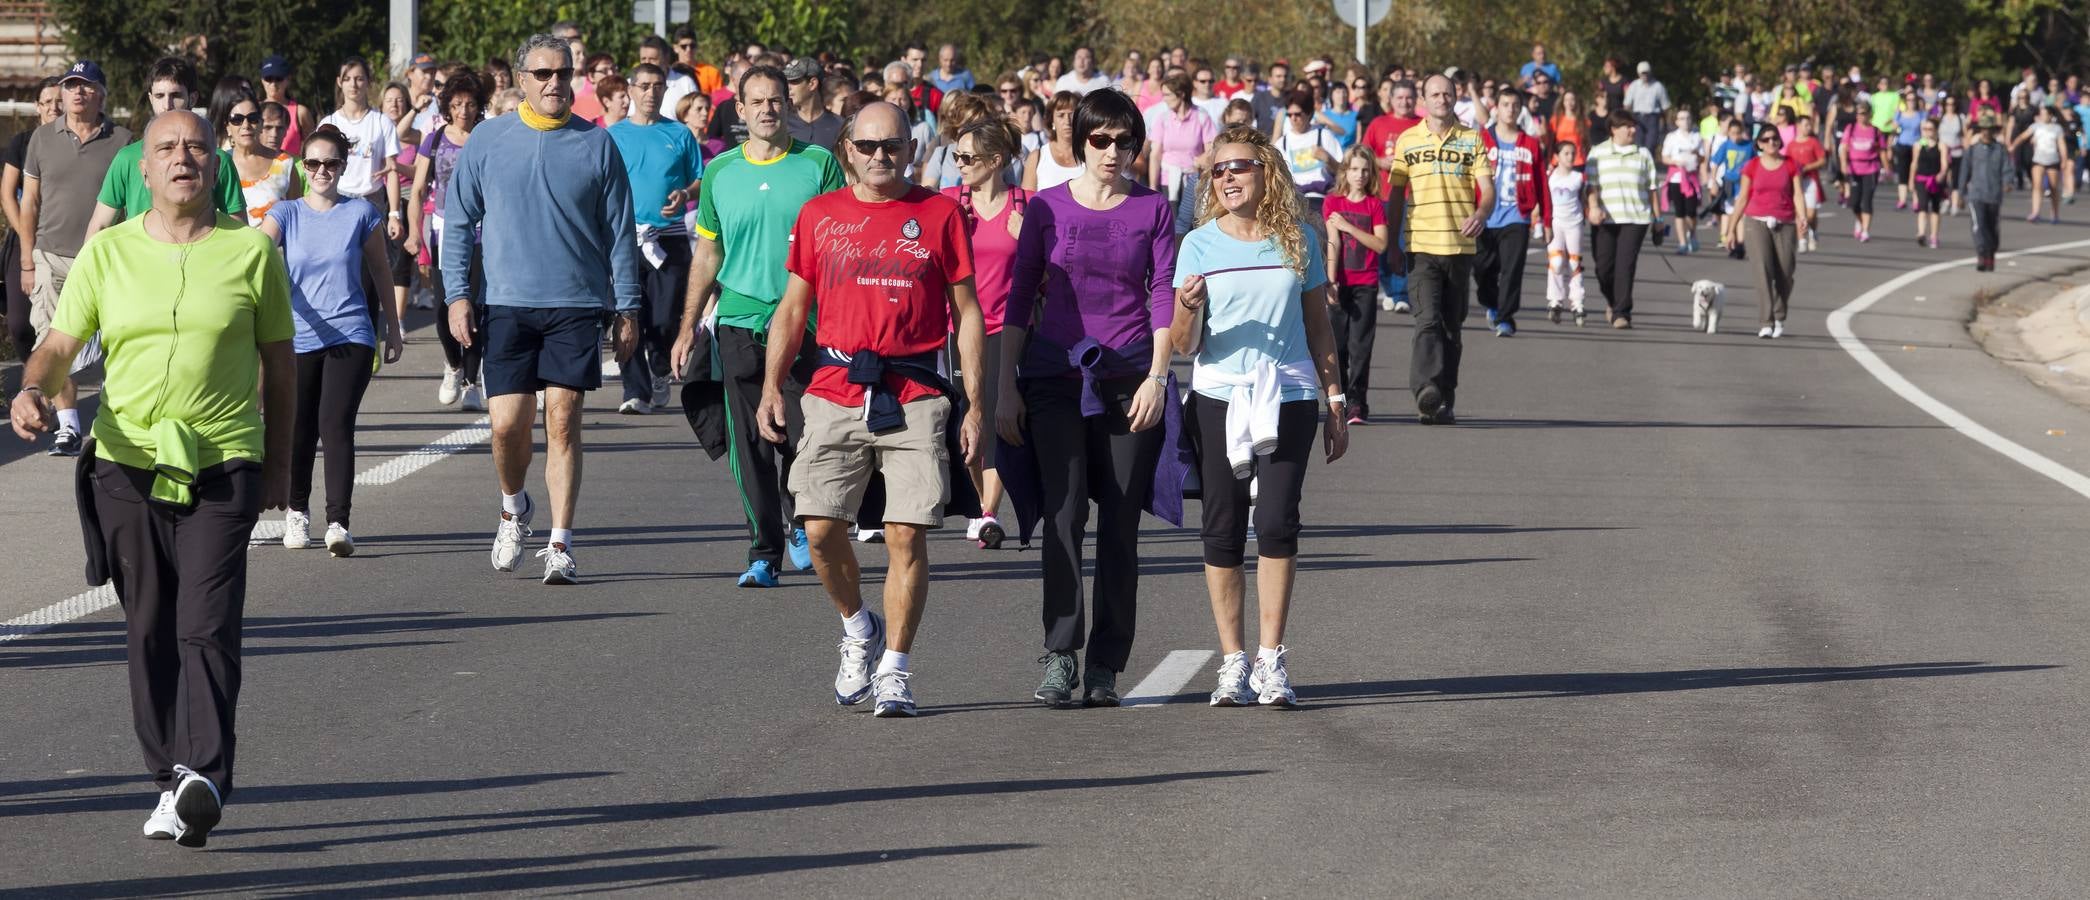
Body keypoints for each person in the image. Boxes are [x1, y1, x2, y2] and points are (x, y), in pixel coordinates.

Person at [11, 109, 293, 849]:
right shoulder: (109, 256)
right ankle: (169, 782)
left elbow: (281, 365)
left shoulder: (251, 252)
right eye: (166, 148)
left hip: (224, 462)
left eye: (196, 147)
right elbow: (61, 342)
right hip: (127, 467)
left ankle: (202, 774)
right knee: (148, 630)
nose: (182, 158)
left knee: (206, 623)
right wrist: (34, 387)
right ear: (142, 169)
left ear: (214, 165)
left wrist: (284, 464)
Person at [757, 101, 985, 718]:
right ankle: (859, 626)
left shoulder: (938, 214)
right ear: (847, 151)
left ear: (911, 149)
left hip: (914, 391)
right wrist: (773, 386)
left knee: (906, 534)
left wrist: (975, 402)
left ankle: (896, 670)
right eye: (867, 146)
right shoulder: (819, 214)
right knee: (821, 529)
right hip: (834, 389)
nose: (880, 156)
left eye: (892, 146)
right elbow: (793, 308)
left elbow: (967, 313)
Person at [999, 88, 1178, 709]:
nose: (1112, 151)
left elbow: (1162, 294)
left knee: (1121, 527)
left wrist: (1158, 376)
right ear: (1081, 141)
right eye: (1100, 139)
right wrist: (1004, 387)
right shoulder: (1046, 208)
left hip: (1130, 378)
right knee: (1065, 513)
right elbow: (1019, 298)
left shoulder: (1153, 208)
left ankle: (1105, 664)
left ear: (1136, 145)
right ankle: (1060, 652)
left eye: (1125, 140)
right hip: (1054, 377)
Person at [440, 33, 642, 586]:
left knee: (563, 419)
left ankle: (561, 541)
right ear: (522, 80)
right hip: (505, 303)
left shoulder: (597, 144)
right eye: (545, 74)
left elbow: (620, 232)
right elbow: (458, 221)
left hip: (575, 304)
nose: (556, 83)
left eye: (564, 73)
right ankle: (513, 507)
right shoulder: (488, 139)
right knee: (506, 425)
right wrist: (457, 293)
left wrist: (628, 307)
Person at [1168, 125, 1348, 708]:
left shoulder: (1299, 239)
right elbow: (1183, 343)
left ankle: (1271, 659)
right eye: (1217, 171)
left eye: (1238, 167)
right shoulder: (1197, 244)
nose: (1226, 179)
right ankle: (1232, 662)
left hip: (1288, 392)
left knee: (1275, 521)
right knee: (1221, 527)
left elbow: (1319, 326)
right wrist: (1189, 309)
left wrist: (1336, 402)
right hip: (1219, 394)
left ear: (1265, 171)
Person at [668, 64, 846, 588]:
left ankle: (798, 518)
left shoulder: (817, 165)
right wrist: (686, 329)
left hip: (805, 324)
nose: (768, 109)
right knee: (749, 444)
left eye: (776, 100)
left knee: (800, 435)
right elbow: (707, 253)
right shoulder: (722, 171)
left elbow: (839, 250)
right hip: (740, 321)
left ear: (787, 106)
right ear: (739, 111)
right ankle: (763, 550)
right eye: (757, 102)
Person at [257, 123, 405, 554]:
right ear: (303, 167)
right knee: (299, 428)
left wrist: (393, 328)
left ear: (343, 166)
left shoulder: (361, 213)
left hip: (351, 331)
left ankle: (339, 522)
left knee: (335, 424)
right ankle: (297, 515)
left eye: (331, 163)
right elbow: (254, 257)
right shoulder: (285, 214)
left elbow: (380, 270)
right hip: (297, 336)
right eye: (315, 162)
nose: (323, 170)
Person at [18, 61, 133, 458]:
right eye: (70, 86)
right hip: (51, 256)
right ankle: (68, 426)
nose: (77, 93)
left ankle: (114, 420)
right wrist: (28, 261)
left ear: (101, 93)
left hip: (105, 259)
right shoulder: (41, 139)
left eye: (85, 86)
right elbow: (28, 202)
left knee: (115, 342)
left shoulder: (123, 141)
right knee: (51, 336)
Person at [1382, 74, 1492, 424]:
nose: (1441, 99)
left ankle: (1445, 397)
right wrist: (1392, 246)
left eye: (1447, 93)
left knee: (1451, 327)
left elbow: (1487, 189)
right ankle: (1426, 390)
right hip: (1421, 244)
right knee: (1427, 320)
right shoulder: (1408, 140)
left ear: (1455, 97)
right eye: (1434, 94)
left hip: (1460, 247)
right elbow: (1397, 193)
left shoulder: (1472, 140)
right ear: (1423, 100)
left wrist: (1481, 213)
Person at [607, 63, 705, 417]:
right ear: (631, 90)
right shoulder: (613, 135)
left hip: (670, 239)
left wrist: (685, 192)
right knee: (628, 313)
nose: (650, 92)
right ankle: (635, 391)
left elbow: (699, 179)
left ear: (665, 91)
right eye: (644, 86)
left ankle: (660, 366)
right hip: (626, 239)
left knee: (664, 320)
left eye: (657, 86)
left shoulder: (679, 135)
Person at [946, 119, 1025, 549]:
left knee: (996, 418)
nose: (959, 164)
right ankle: (979, 504)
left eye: (967, 157)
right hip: (956, 327)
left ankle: (988, 512)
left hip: (1009, 329)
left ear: (996, 161)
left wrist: (1026, 237)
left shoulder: (1023, 205)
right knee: (965, 420)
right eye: (956, 156)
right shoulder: (948, 203)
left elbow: (1052, 270)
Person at [85, 57, 249, 240]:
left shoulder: (216, 160)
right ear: (150, 98)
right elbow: (99, 225)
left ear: (192, 98)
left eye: (176, 95)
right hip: (139, 265)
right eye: (159, 96)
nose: (167, 105)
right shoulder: (127, 158)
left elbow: (239, 231)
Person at [405, 70, 490, 410]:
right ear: (447, 106)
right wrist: (414, 232)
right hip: (444, 231)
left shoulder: (486, 137)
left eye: (470, 104)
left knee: (476, 308)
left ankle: (471, 382)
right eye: (457, 104)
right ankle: (452, 365)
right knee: (443, 308)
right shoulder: (436, 139)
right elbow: (418, 191)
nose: (464, 111)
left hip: (484, 232)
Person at [1322, 146, 1387, 421]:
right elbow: (1333, 242)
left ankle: (1359, 402)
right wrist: (1331, 281)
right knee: (1338, 345)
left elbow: (1381, 244)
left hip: (1366, 284)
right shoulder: (1333, 202)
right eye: (1354, 169)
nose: (1359, 175)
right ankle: (1341, 398)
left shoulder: (1374, 205)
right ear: (1345, 172)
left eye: (1364, 170)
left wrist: (1350, 227)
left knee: (1361, 344)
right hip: (1342, 283)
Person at [1477, 87, 1547, 337]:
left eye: (1515, 105)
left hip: (1517, 215)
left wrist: (1547, 220)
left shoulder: (1530, 143)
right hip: (1484, 216)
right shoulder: (1482, 139)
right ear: (1497, 108)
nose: (1510, 109)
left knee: (1512, 268)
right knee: (1483, 270)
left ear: (1520, 110)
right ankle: (1492, 304)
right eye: (1505, 104)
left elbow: (1541, 183)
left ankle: (1505, 318)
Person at [2, 77, 61, 360]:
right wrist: (27, 233)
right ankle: (32, 374)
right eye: (47, 102)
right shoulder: (22, 142)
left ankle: (49, 386)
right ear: (37, 107)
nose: (54, 107)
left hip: (61, 240)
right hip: (22, 240)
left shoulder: (73, 145)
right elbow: (7, 194)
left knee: (57, 323)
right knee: (19, 323)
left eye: (60, 101)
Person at [1585, 112, 1657, 329]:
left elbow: (1652, 188)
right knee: (1603, 268)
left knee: (1625, 266)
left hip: (1636, 218)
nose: (1633, 130)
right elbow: (1592, 186)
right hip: (1605, 218)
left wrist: (1659, 218)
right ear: (1614, 130)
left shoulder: (1643, 154)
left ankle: (1621, 312)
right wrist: (1594, 207)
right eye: (1627, 126)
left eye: (1634, 126)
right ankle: (1613, 301)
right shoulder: (1597, 153)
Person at [1737, 128, 1805, 339]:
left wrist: (1802, 218)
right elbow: (1742, 198)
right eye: (1766, 140)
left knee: (1785, 273)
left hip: (1785, 222)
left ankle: (1779, 315)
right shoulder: (1753, 166)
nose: (1771, 142)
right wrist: (1730, 229)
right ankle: (1766, 321)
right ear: (1759, 144)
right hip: (1756, 221)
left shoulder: (1790, 164)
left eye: (1775, 138)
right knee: (1763, 271)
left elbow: (1798, 195)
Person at [1363, 79, 1421, 314]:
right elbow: (1364, 153)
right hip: (1383, 194)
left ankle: (1401, 293)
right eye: (1400, 98)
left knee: (1403, 243)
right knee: (1383, 244)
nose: (1405, 102)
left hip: (1414, 195)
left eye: (1409, 98)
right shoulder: (1379, 123)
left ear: (1416, 100)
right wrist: (1379, 161)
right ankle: (1387, 287)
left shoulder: (1422, 125)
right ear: (1391, 100)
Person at [223, 92, 300, 228]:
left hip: (275, 248)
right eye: (237, 119)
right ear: (228, 127)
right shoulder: (217, 164)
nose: (246, 125)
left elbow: (297, 218)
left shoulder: (285, 163)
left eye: (252, 118)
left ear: (260, 124)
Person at [1149, 73, 1215, 206]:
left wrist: (1199, 161)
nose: (1164, 99)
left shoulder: (1202, 117)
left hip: (1193, 181)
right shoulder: (1162, 119)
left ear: (1182, 94)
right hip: (1167, 181)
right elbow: (1155, 155)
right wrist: (1152, 186)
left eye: (1168, 95)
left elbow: (1211, 150)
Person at [1543, 140, 1588, 324]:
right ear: (1557, 156)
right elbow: (1544, 199)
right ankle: (1555, 300)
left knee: (1574, 263)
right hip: (1556, 223)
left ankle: (1577, 302)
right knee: (1556, 261)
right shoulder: (1550, 176)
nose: (1570, 157)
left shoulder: (1578, 178)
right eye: (1566, 153)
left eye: (1572, 153)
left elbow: (1584, 198)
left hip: (1574, 223)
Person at [1276, 91, 1342, 217]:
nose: (1293, 118)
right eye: (1289, 115)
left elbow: (1343, 172)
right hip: (1295, 202)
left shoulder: (1323, 135)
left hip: (1322, 199)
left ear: (1309, 114)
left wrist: (1328, 159)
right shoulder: (1282, 143)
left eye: (1298, 114)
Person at [1961, 112, 2012, 271]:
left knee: (1992, 227)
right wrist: (1960, 191)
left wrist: (2007, 182)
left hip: (1994, 194)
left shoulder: (2000, 150)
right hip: (1976, 194)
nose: (1986, 132)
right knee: (1979, 225)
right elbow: (1965, 170)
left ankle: (1991, 255)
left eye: (1989, 129)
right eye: (1983, 129)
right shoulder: (1972, 150)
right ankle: (1981, 255)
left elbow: (2007, 168)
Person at [1658, 107, 1705, 254]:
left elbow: (1703, 158)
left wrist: (1696, 154)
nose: (1685, 121)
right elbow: (1664, 157)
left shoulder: (1697, 137)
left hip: (1691, 178)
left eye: (1688, 118)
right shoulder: (1672, 137)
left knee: (1691, 212)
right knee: (1679, 211)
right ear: (1677, 121)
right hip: (1676, 178)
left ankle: (1692, 234)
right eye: (1682, 118)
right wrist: (1675, 162)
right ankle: (1682, 243)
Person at [2011, 104, 2066, 224]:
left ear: (2050, 115)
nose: (2041, 116)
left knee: (2053, 188)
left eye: (2044, 114)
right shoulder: (2036, 126)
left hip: (2053, 160)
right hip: (2038, 159)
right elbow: (2023, 136)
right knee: (2037, 186)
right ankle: (2035, 212)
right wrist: (2013, 146)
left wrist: (2064, 159)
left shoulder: (2057, 128)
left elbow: (2061, 145)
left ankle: (2055, 214)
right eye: (2041, 114)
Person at [1710, 117, 1755, 255]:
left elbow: (1755, 163)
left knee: (1741, 213)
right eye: (1732, 133)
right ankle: (1732, 240)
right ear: (1728, 133)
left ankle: (1741, 243)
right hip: (1729, 183)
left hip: (1744, 183)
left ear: (1742, 132)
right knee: (1730, 213)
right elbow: (1715, 163)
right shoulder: (1726, 145)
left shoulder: (1748, 146)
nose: (1735, 136)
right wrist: (1714, 182)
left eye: (1738, 133)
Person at [1023, 91, 1083, 191]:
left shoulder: (1091, 155)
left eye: (1072, 115)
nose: (1067, 121)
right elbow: (1028, 201)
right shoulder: (1037, 158)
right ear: (1052, 120)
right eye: (1061, 115)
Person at [1839, 111, 1885, 241]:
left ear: (1869, 115)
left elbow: (1881, 150)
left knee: (1867, 200)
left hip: (1871, 168)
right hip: (1854, 168)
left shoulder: (1875, 131)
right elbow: (1843, 147)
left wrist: (1886, 169)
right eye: (1859, 114)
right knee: (1854, 203)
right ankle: (1860, 221)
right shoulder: (1851, 128)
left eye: (1864, 114)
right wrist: (1843, 164)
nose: (1861, 116)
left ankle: (1865, 231)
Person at [256, 55, 315, 156]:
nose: (273, 84)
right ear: (262, 80)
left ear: (288, 80)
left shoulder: (300, 112)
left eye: (278, 79)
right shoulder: (254, 110)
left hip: (292, 169)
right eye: (268, 78)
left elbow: (312, 146)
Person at [1906, 119, 1949, 249]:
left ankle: (1934, 236)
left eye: (1930, 129)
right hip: (1921, 179)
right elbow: (1914, 163)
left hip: (1935, 180)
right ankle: (1921, 233)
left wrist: (1942, 174)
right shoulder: (1918, 145)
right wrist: (1910, 180)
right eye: (1924, 129)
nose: (1927, 132)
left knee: (1935, 208)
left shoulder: (1941, 145)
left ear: (1935, 130)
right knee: (1922, 206)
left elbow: (1945, 163)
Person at [783, 57, 842, 151]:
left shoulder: (839, 126)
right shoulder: (782, 124)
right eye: (786, 82)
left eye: (794, 81)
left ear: (812, 83)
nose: (788, 87)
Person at [1623, 62, 1670, 154]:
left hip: (1653, 118)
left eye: (1646, 73)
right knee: (1638, 144)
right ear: (1639, 74)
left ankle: (1649, 165)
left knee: (1651, 145)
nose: (1644, 76)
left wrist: (1665, 123)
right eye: (1642, 73)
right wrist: (1627, 120)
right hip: (1637, 117)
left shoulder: (1658, 86)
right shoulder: (1634, 85)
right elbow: (1627, 104)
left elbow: (1665, 106)